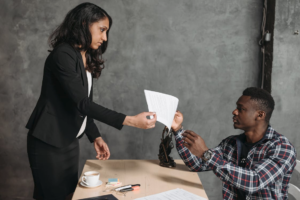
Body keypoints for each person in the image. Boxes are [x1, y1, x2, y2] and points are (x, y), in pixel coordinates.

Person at [26, 3, 157, 200]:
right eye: (102, 30)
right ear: (84, 24)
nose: (105, 38)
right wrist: (130, 120)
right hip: (48, 142)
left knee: (70, 194)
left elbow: (78, 104)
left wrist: (94, 136)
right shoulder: (63, 54)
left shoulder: (84, 55)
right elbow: (83, 104)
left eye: (106, 32)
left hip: (69, 141)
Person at [171, 87, 297, 199]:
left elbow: (254, 182)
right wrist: (177, 130)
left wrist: (206, 153)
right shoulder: (231, 143)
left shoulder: (282, 148)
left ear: (260, 115)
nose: (234, 112)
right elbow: (197, 164)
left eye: (241, 109)